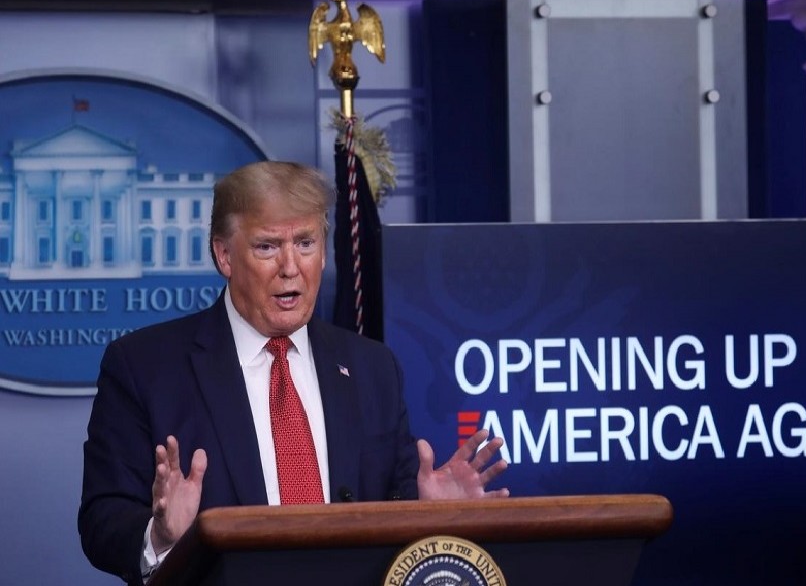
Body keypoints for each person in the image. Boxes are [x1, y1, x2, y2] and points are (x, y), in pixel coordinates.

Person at [78, 161, 509, 585]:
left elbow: (389, 511)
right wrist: (161, 535)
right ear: (223, 255)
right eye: (267, 246)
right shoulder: (144, 366)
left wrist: (427, 517)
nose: (290, 267)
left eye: (305, 243)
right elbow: (103, 520)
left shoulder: (372, 367)